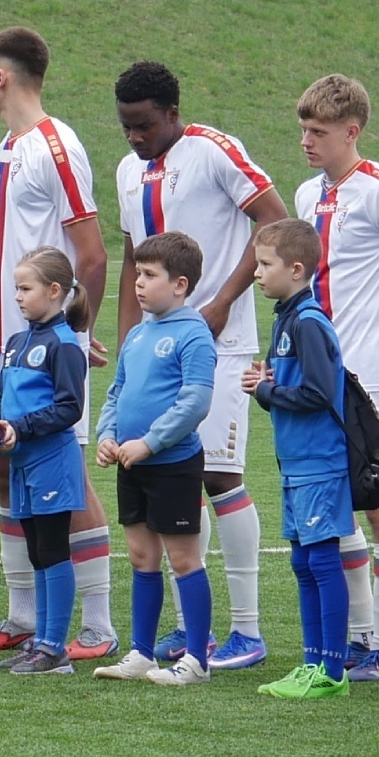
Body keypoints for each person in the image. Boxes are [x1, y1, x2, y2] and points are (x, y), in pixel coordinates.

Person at [110, 60, 284, 668]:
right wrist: (128, 339)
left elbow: (276, 221)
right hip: (153, 353)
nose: (135, 136)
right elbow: (132, 260)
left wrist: (222, 302)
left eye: (144, 125)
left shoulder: (214, 150)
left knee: (218, 476)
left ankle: (248, 631)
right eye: (126, 126)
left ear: (172, 113)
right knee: (171, 480)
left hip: (222, 342)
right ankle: (193, 631)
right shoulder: (128, 171)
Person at [285, 73, 379, 680]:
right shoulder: (305, 195)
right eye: (303, 130)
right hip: (323, 378)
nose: (307, 142)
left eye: (318, 132)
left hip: (374, 376)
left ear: (353, 131)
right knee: (334, 504)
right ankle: (358, 635)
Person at [0, 28, 114, 661]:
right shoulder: (6, 148)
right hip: (6, 343)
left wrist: (75, 335)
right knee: (5, 469)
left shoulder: (57, 146)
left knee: (68, 479)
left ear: (2, 77)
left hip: (46, 342)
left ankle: (98, 623)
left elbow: (89, 250)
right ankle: (25, 614)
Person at [92, 233, 222, 684]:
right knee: (140, 557)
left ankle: (197, 661)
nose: (138, 285)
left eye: (149, 276)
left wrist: (150, 442)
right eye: (137, 274)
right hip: (132, 466)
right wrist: (107, 435)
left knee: (183, 560)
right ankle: (141, 653)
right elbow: (116, 392)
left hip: (172, 464)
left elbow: (195, 401)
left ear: (181, 284)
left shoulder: (194, 333)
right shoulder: (136, 336)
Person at [246, 220, 353, 699]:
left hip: (319, 462)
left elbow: (317, 392)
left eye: (265, 264)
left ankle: (330, 670)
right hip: (296, 463)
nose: (256, 273)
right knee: (303, 562)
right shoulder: (285, 318)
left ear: (296, 268)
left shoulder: (309, 321)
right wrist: (267, 387)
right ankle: (312, 662)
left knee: (322, 561)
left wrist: (267, 389)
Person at [0, 248, 92, 676]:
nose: (18, 297)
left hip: (51, 463)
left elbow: (69, 408)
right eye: (16, 288)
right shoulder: (17, 342)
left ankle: (54, 648)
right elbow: (2, 399)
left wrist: (19, 429)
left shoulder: (64, 345)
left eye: (25, 288)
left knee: (53, 549)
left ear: (55, 291)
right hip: (22, 462)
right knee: (36, 552)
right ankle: (41, 641)